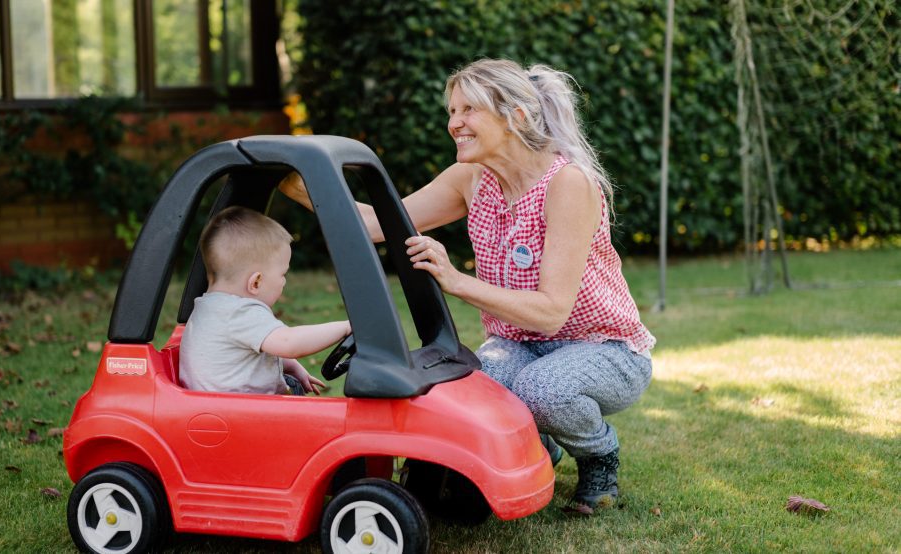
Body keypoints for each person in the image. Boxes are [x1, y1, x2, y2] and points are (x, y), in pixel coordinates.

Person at [278, 59, 655, 515]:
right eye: (452, 111)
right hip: (518, 344)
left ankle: (599, 456)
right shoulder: (471, 178)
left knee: (544, 392)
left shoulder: (568, 184)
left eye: (468, 110)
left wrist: (456, 281)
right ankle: (539, 449)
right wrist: (293, 179)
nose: (454, 123)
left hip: (604, 349)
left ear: (515, 116)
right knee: (459, 396)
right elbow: (376, 224)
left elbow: (553, 311)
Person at [179, 206, 351, 397]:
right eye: (282, 274)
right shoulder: (240, 312)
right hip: (241, 417)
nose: (284, 281)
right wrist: (345, 327)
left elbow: (243, 353)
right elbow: (289, 342)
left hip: (217, 408)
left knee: (292, 384)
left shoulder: (209, 307)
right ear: (256, 282)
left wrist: (292, 366)